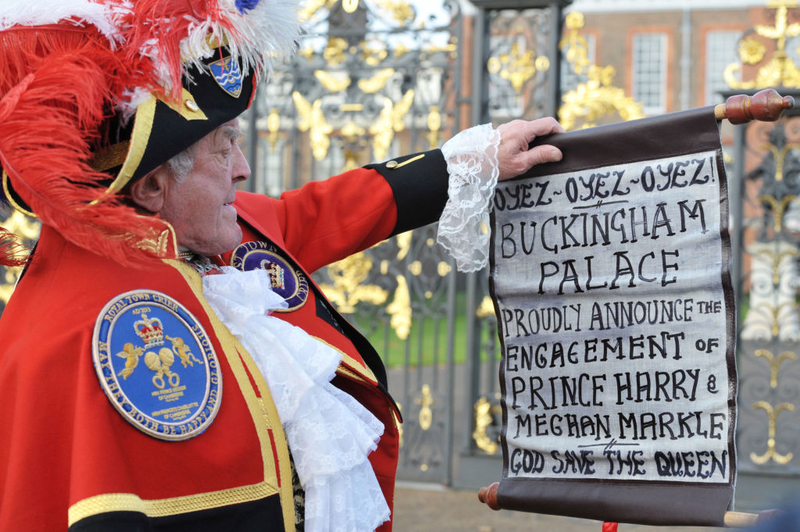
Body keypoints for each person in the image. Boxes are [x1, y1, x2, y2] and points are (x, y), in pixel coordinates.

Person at [0, 1, 564, 531]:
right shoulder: (86, 326)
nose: (243, 169)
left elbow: (308, 215)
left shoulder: (185, 228)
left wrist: (461, 164)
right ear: (149, 185)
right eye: (224, 148)